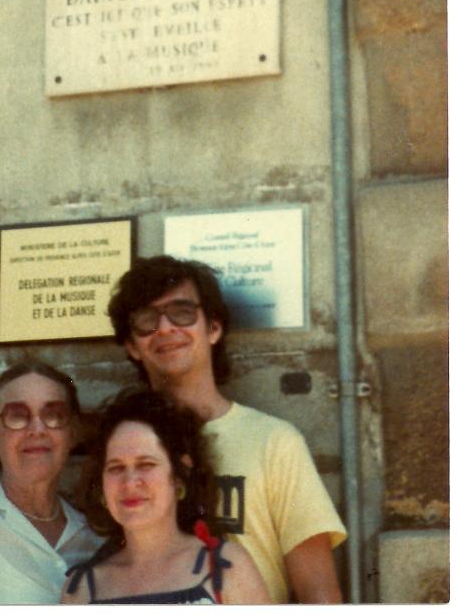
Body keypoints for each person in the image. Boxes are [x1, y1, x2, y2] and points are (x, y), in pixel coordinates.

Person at [107, 255, 348, 604]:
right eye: (147, 320)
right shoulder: (120, 452)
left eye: (183, 312)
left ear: (214, 328)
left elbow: (319, 594)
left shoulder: (275, 443)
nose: (165, 328)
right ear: (132, 345)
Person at [62, 388, 271, 604]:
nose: (130, 482)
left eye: (146, 465)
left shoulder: (225, 568)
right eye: (116, 467)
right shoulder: (81, 590)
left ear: (180, 475)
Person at [0, 360, 102, 603]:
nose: (37, 429)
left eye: (53, 415)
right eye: (17, 416)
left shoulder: (97, 536)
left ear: (72, 434)